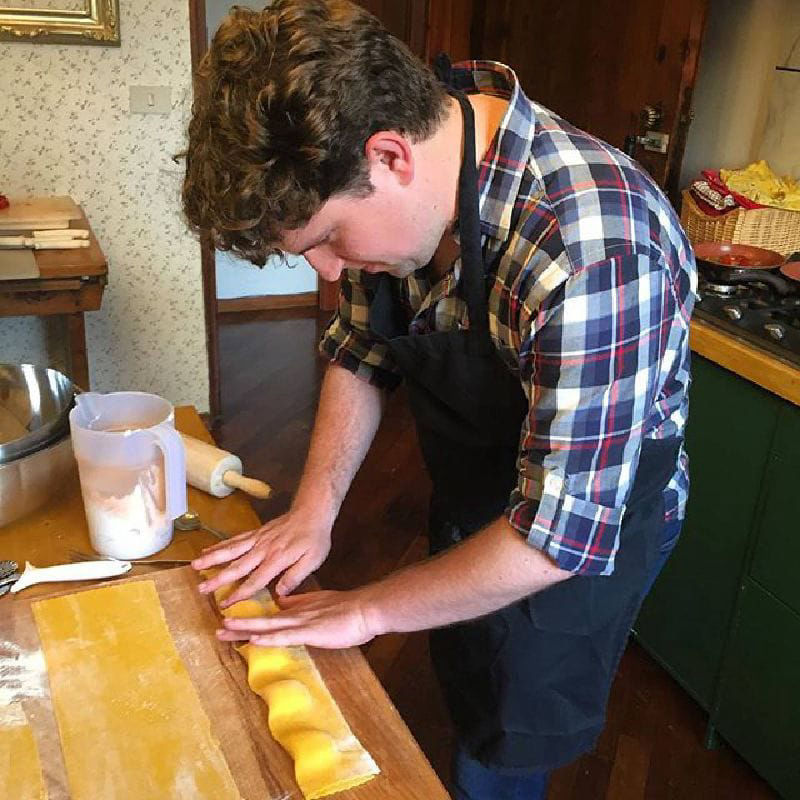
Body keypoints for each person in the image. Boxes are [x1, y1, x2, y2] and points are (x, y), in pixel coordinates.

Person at [182, 2, 696, 798]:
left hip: (584, 527)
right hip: (486, 486)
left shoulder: (593, 248)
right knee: (467, 664)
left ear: (390, 156)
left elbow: (554, 537)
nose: (328, 271)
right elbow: (360, 350)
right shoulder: (404, 174)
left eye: (328, 239)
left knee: (509, 727)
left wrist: (367, 611)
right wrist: (313, 509)